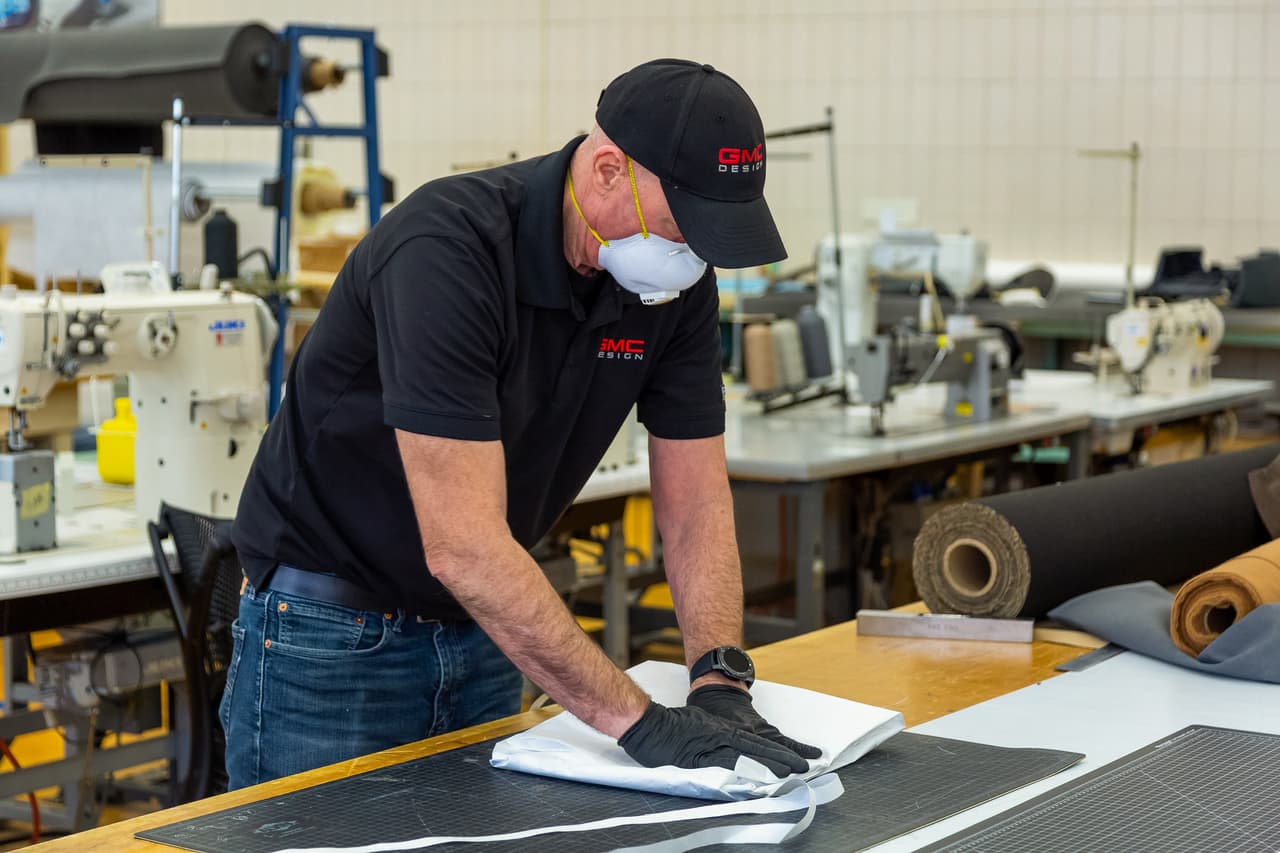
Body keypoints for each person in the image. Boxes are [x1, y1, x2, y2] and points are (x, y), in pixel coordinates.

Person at [221, 58, 819, 790]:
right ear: (606, 171)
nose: (690, 257)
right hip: (331, 636)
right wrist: (640, 720)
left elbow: (695, 502)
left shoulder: (668, 285)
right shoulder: (446, 251)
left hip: (484, 628)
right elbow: (465, 546)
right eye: (678, 228)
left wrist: (719, 678)